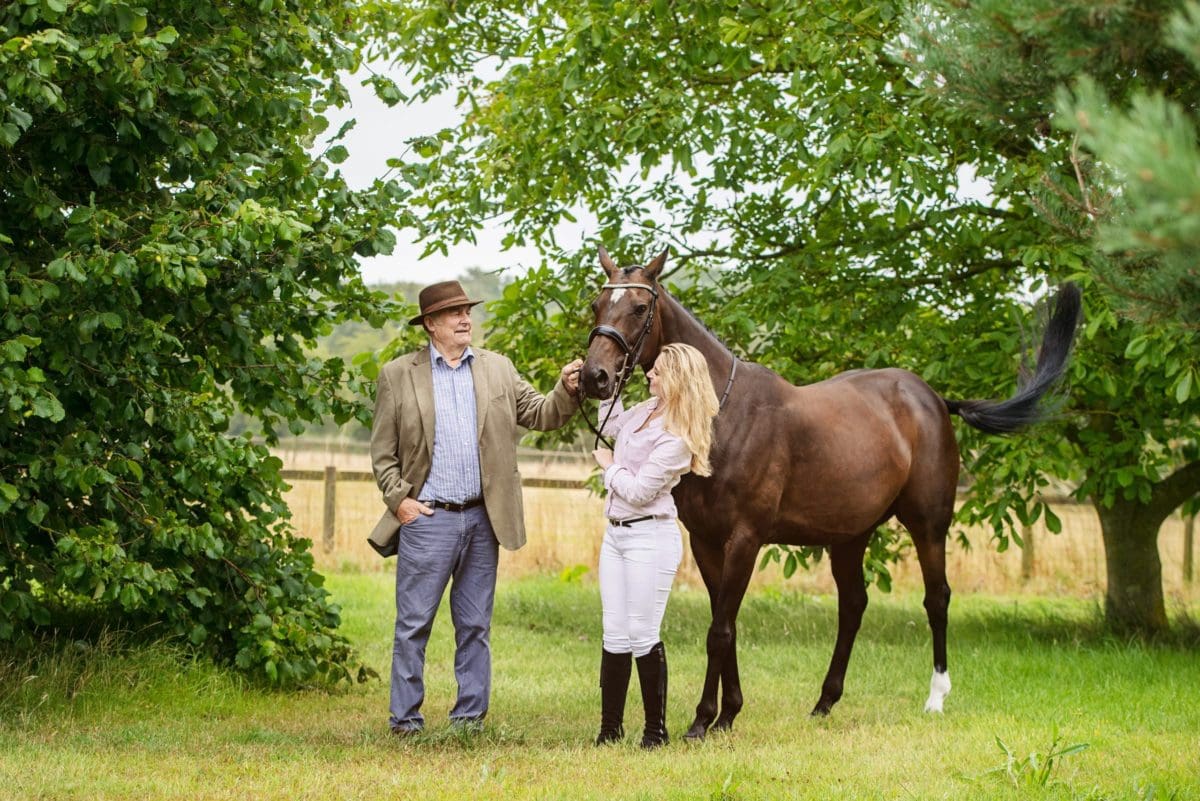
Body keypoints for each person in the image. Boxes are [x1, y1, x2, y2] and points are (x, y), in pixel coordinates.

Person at [369, 279, 582, 736]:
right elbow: (383, 454)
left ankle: (468, 721)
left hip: (483, 519)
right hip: (427, 520)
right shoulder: (397, 375)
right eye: (453, 313)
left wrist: (566, 388)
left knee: (474, 626)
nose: (465, 318)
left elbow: (543, 413)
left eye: (467, 310)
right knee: (413, 626)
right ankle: (405, 722)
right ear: (430, 325)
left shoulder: (498, 369)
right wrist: (399, 501)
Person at [590, 342, 719, 749]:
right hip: (616, 535)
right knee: (613, 633)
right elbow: (609, 426)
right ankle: (610, 729)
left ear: (678, 381)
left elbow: (641, 490)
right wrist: (608, 386)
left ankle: (654, 732)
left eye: (658, 372)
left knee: (642, 632)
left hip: (650, 536)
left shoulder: (679, 437)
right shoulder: (646, 412)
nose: (650, 375)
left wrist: (610, 469)